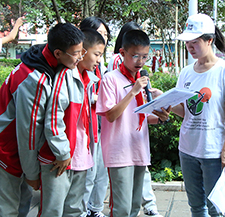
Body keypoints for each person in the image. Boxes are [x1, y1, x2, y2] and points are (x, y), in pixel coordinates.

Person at [0, 22, 85, 217]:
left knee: (21, 205)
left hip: (17, 149)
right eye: (76, 53)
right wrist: (31, 175)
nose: (81, 57)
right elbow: (28, 132)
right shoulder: (35, 80)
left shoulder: (41, 59)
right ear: (57, 53)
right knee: (8, 208)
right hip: (7, 147)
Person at [173, 13, 225, 217]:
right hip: (187, 149)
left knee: (216, 208)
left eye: (194, 42)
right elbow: (185, 110)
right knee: (196, 206)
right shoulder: (186, 72)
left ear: (209, 40)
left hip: (213, 152)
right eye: (187, 42)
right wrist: (165, 104)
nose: (189, 47)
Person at [96, 29, 170, 217]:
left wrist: (160, 118)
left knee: (135, 207)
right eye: (135, 56)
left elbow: (139, 116)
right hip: (119, 151)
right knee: (121, 208)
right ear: (122, 53)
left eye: (145, 56)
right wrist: (133, 92)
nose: (140, 62)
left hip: (138, 148)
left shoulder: (142, 81)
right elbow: (111, 115)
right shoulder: (111, 79)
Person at [37, 29, 105, 217]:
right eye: (97, 54)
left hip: (80, 156)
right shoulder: (65, 76)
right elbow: (53, 118)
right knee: (53, 210)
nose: (99, 60)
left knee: (75, 209)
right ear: (82, 52)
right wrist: (63, 152)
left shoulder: (90, 80)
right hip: (60, 159)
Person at [79, 17, 111, 217]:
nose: (104, 38)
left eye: (106, 35)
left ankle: (95, 209)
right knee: (87, 175)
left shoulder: (101, 64)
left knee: (101, 173)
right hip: (86, 129)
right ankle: (82, 210)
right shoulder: (78, 66)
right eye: (101, 34)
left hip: (101, 126)